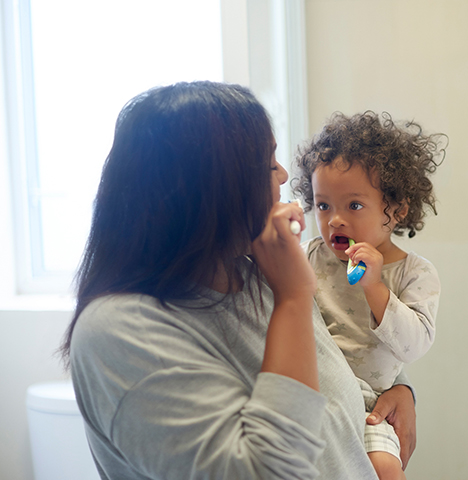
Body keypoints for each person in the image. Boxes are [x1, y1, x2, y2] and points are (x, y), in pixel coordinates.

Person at [58, 81, 417, 480]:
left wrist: (397, 387)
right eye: (267, 164)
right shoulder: (118, 332)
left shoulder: (258, 271)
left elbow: (338, 355)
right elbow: (263, 472)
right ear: (209, 191)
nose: (283, 175)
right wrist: (294, 298)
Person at [292, 111, 444, 480]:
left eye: (354, 206)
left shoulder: (414, 273)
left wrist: (375, 287)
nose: (335, 220)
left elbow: (412, 347)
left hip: (372, 406)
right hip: (315, 400)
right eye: (323, 205)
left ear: (397, 210)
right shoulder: (312, 256)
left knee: (387, 471)